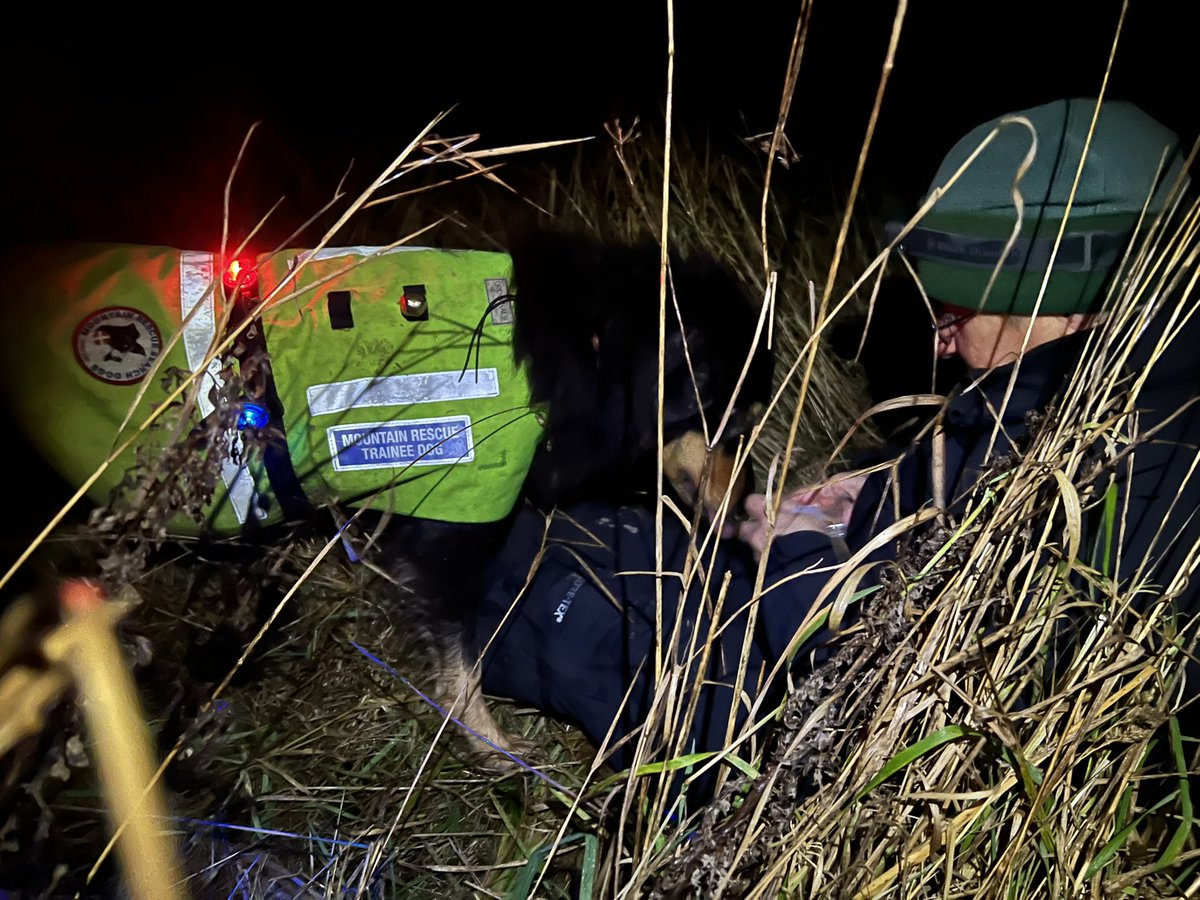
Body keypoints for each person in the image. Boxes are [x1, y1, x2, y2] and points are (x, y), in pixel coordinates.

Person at [473, 97, 1197, 805]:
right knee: (631, 537)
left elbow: (915, 687)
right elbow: (973, 484)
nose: (940, 341)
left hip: (843, 722)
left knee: (566, 607)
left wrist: (796, 548)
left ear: (1062, 297)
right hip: (837, 595)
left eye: (958, 312)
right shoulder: (1099, 387)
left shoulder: (1137, 477)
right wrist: (876, 490)